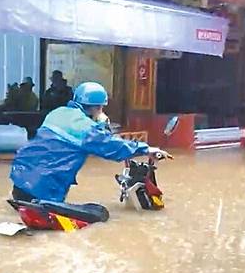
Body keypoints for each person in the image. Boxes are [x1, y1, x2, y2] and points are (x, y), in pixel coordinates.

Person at [10, 82, 170, 203]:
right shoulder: (89, 130)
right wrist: (146, 149)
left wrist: (98, 126)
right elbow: (112, 148)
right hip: (44, 191)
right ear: (98, 107)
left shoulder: (56, 113)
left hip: (19, 182)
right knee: (100, 216)